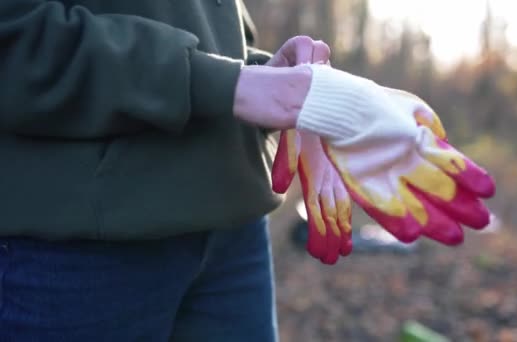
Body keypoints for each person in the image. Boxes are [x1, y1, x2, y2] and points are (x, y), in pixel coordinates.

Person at [0, 1, 331, 341]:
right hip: (80, 247)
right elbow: (14, 37)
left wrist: (262, 72)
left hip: (233, 224)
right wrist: (222, 83)